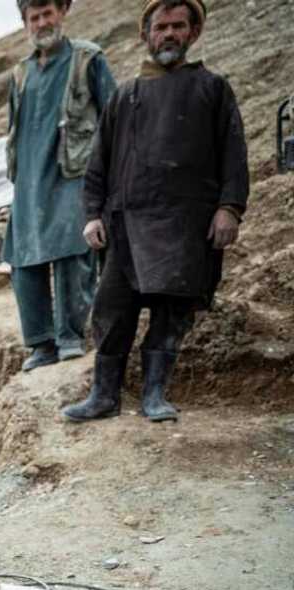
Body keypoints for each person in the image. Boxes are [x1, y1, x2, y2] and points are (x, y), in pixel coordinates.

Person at [64, 0, 248, 423]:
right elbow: (98, 164)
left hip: (187, 225)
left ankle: (154, 394)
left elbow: (234, 155)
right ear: (146, 35)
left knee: (171, 313)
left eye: (178, 26)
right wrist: (92, 214)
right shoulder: (124, 96)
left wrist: (229, 208)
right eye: (161, 27)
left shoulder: (213, 89)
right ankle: (103, 395)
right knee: (111, 312)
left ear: (193, 32)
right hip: (125, 225)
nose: (169, 34)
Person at [3, 0, 117, 372]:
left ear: (62, 13)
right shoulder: (20, 74)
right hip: (28, 181)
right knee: (23, 262)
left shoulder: (87, 59)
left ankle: (70, 337)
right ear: (25, 23)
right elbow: (13, 131)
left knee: (72, 253)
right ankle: (41, 343)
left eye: (47, 14)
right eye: (33, 18)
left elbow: (114, 119)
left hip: (73, 173)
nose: (41, 23)